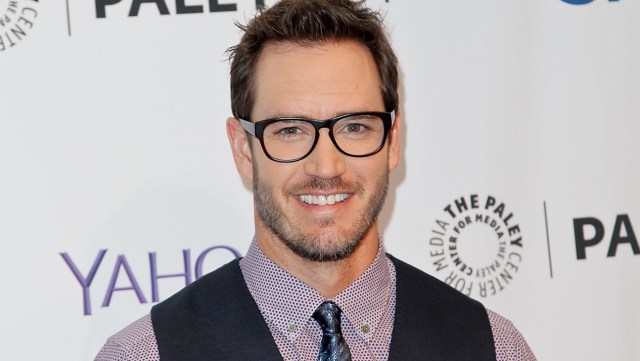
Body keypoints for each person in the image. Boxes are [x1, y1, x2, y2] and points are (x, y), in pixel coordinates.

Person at [96, 0, 537, 360]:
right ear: (243, 149)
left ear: (393, 140)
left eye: (355, 127)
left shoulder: (494, 347)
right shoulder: (144, 354)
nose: (326, 167)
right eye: (291, 131)